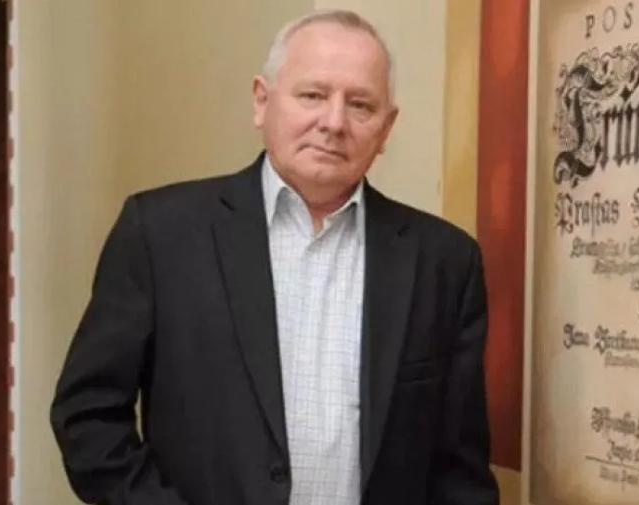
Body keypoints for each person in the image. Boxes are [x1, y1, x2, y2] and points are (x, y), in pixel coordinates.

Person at [51, 9, 498, 505]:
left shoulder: (444, 263)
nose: (334, 122)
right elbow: (88, 417)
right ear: (262, 101)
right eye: (312, 95)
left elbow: (460, 472)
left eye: (360, 105)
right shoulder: (160, 234)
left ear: (386, 127)